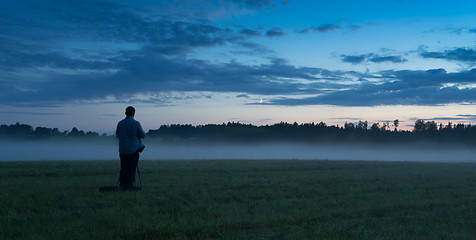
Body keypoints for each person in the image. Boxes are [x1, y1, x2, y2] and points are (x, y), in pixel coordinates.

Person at [116, 106, 145, 189]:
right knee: (131, 169)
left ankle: (122, 185)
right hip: (133, 150)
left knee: (123, 168)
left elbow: (117, 134)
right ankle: (129, 185)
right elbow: (142, 135)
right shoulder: (136, 123)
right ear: (134, 113)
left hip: (122, 150)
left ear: (125, 113)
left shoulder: (120, 123)